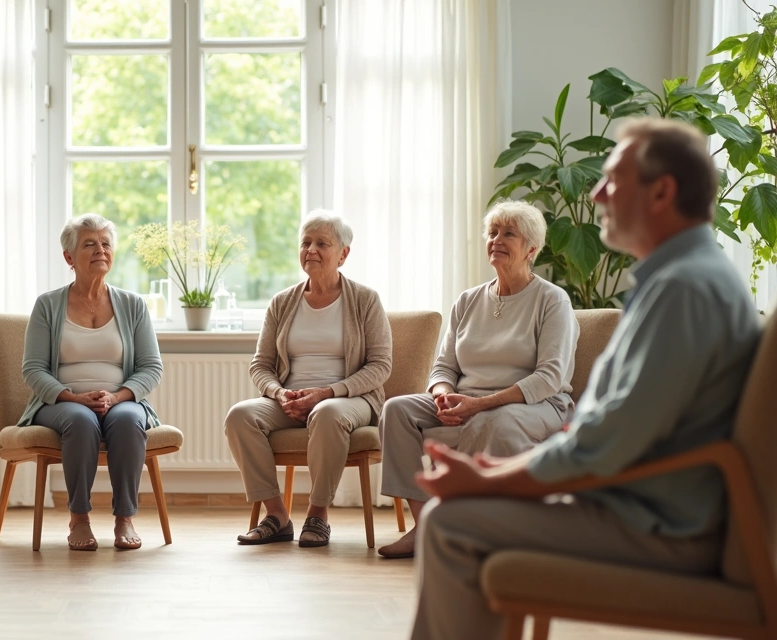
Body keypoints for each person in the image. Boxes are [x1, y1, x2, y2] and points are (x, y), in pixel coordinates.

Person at [409, 118, 763, 640]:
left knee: (448, 523)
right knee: (459, 511)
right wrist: (502, 474)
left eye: (613, 178)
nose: (596, 191)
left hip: (655, 522)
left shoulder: (684, 289)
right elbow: (602, 428)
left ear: (662, 191)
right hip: (641, 503)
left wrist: (489, 479)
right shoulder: (684, 277)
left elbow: (605, 442)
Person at [377, 200, 579, 559]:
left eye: (509, 234)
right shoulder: (468, 300)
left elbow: (550, 377)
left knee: (492, 420)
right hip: (467, 398)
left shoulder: (552, 300)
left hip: (538, 404)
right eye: (493, 232)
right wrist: (444, 395)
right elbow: (443, 367)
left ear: (531, 249)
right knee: (396, 409)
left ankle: (472, 525)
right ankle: (426, 525)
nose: (497, 240)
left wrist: (479, 404)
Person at [225, 210, 392, 547]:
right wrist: (278, 393)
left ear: (343, 254)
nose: (311, 250)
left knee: (327, 412)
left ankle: (318, 515)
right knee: (240, 416)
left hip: (349, 400)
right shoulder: (282, 302)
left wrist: (329, 392)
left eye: (321, 243)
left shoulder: (365, 300)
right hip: (290, 398)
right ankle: (277, 516)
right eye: (305, 243)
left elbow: (380, 365)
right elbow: (260, 364)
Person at [19, 213, 163, 551]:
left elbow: (151, 367)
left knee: (129, 420)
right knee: (81, 421)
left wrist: (118, 398)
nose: (100, 249)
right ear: (69, 257)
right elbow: (33, 368)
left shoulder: (133, 304)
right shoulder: (48, 305)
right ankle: (79, 517)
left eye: (106, 243)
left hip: (121, 401)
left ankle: (124, 517)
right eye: (89, 244)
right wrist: (72, 397)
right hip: (61, 404)